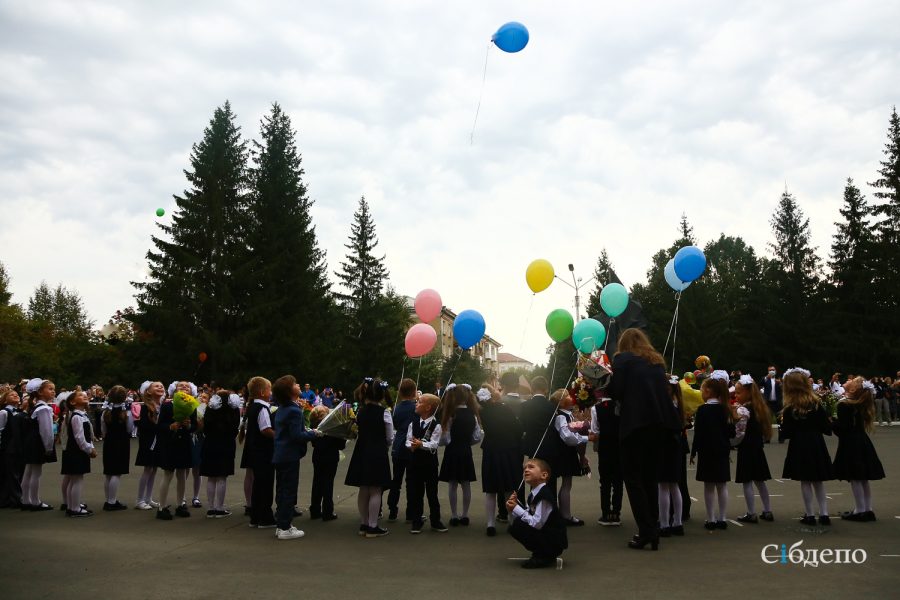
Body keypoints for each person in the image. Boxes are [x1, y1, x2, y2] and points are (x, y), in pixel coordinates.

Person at [607, 329, 681, 550]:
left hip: (634, 426)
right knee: (650, 479)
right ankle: (654, 528)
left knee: (633, 479)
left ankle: (646, 530)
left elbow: (617, 391)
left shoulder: (623, 359)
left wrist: (603, 383)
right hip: (659, 426)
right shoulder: (656, 362)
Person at [780, 367, 834, 526]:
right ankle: (824, 514)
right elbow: (826, 428)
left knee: (805, 480)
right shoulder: (816, 403)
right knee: (818, 480)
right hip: (816, 443)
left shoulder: (790, 408)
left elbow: (787, 432)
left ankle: (810, 515)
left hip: (799, 444)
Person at [344, 377, 393, 538]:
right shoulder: (384, 413)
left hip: (362, 450)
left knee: (364, 488)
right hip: (378, 451)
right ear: (381, 394)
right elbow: (389, 437)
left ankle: (364, 523)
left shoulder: (361, 411)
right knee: (376, 489)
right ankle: (373, 526)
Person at [272, 375, 319, 540]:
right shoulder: (293, 410)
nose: (298, 385)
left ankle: (281, 524)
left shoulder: (283, 408)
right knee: (288, 491)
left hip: (280, 454)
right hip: (289, 455)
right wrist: (313, 433)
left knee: (282, 490)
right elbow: (296, 436)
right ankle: (285, 527)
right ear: (289, 391)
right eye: (295, 384)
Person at [833, 377, 885, 521]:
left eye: (852, 380)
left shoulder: (844, 404)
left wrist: (831, 422)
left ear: (853, 389)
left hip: (850, 443)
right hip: (861, 441)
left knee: (855, 477)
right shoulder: (860, 403)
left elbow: (842, 428)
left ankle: (860, 510)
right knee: (863, 478)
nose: (849, 379)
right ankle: (868, 509)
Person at [690, 371, 735, 530]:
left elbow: (699, 434)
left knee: (709, 486)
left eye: (702, 390)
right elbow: (732, 432)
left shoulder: (702, 410)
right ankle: (722, 518)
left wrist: (694, 451)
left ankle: (711, 518)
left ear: (708, 392)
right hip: (722, 450)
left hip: (706, 451)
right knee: (722, 485)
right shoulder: (725, 409)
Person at [506, 458, 568, 569]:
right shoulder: (534, 493)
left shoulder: (544, 496)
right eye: (525, 468)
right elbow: (529, 514)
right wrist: (514, 507)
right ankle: (541, 552)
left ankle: (545, 555)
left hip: (554, 540)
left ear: (544, 475)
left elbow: (537, 523)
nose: (526, 470)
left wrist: (516, 509)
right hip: (546, 533)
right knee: (516, 525)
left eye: (531, 467)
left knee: (518, 526)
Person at [478, 384, 522, 536]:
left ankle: (490, 523)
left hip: (490, 450)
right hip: (508, 449)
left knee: (491, 489)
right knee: (509, 487)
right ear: (493, 394)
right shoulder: (505, 409)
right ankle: (512, 520)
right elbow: (517, 428)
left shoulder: (482, 412)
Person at [439, 383, 483, 526]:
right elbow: (477, 436)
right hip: (465, 451)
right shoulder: (473, 415)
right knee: (466, 484)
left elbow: (445, 438)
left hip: (452, 451)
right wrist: (466, 442)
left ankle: (454, 515)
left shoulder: (451, 415)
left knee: (452, 484)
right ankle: (465, 515)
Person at [732, 375, 774, 523]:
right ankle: (767, 510)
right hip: (757, 448)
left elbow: (740, 432)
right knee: (760, 480)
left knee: (747, 481)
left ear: (748, 392)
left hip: (746, 448)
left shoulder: (743, 410)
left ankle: (751, 512)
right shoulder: (760, 407)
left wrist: (732, 443)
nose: (736, 395)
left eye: (738, 392)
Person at [155, 382, 198, 521]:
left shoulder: (191, 406)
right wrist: (171, 426)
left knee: (182, 473)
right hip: (170, 443)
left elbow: (194, 426)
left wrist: (189, 425)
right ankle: (162, 506)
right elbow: (160, 425)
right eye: (181, 386)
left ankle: (180, 504)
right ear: (174, 390)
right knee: (168, 474)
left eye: (187, 387)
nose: (184, 388)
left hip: (184, 442)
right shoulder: (167, 405)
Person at [405, 393, 447, 534]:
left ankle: (435, 520)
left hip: (430, 464)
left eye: (419, 402)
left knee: (432, 493)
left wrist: (421, 444)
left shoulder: (436, 425)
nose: (416, 404)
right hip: (415, 463)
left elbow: (434, 444)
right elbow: (407, 440)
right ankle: (417, 521)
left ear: (428, 407)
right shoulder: (413, 423)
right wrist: (411, 445)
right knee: (416, 493)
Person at [548, 388, 588, 526]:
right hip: (563, 453)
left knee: (567, 484)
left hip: (567, 452)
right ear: (562, 402)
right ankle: (565, 515)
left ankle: (565, 513)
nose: (572, 398)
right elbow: (567, 437)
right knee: (566, 484)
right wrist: (585, 438)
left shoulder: (567, 415)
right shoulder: (560, 416)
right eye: (568, 396)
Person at [199, 389, 241, 518]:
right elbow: (235, 429)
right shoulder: (233, 411)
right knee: (222, 477)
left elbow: (204, 428)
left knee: (211, 477)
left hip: (210, 444)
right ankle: (220, 507)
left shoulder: (210, 409)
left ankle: (211, 508)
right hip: (226, 444)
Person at [245, 376, 276, 529]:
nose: (271, 392)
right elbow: (265, 429)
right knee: (266, 483)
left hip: (255, 450)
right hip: (264, 451)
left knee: (258, 484)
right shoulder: (262, 408)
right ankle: (265, 517)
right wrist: (279, 436)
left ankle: (255, 516)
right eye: (269, 389)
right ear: (263, 392)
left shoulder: (252, 407)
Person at [657, 376, 686, 536]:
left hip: (665, 447)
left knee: (663, 486)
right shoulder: (678, 405)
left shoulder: (666, 407)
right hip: (675, 447)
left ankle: (664, 523)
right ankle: (678, 522)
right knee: (674, 486)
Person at [22, 378, 57, 511]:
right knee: (36, 472)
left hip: (31, 442)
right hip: (38, 443)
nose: (53, 392)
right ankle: (35, 501)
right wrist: (48, 447)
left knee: (29, 470)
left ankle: (26, 499)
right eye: (50, 389)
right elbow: (46, 431)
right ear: (40, 392)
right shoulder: (44, 408)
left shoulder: (35, 406)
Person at [591, 387, 623, 527]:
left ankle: (605, 513)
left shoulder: (596, 408)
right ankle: (616, 513)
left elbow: (595, 429)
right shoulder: (622, 405)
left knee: (605, 482)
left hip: (605, 446)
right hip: (620, 446)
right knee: (618, 482)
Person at [60, 390, 96, 517]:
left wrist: (90, 446)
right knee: (76, 480)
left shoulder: (81, 415)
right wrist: (88, 449)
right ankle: (74, 508)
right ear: (72, 402)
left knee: (75, 479)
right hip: (76, 452)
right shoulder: (76, 417)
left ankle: (71, 505)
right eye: (80, 395)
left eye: (85, 395)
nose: (84, 396)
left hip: (77, 451)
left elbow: (88, 435)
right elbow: (79, 437)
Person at [387, 378, 417, 523]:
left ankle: (392, 509)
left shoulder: (396, 408)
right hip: (411, 445)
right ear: (414, 391)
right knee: (411, 481)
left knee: (396, 480)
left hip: (398, 445)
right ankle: (411, 513)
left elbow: (395, 425)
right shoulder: (417, 407)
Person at [308, 406, 344, 521]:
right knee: (328, 483)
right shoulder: (332, 426)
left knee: (317, 481)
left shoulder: (313, 425)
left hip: (317, 455)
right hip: (330, 455)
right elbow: (340, 444)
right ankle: (328, 511)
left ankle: (315, 509)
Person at [101, 385, 133, 511]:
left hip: (109, 442)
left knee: (108, 472)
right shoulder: (126, 412)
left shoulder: (105, 412)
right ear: (124, 397)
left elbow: (103, 430)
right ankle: (112, 501)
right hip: (121, 442)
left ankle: (108, 499)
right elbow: (129, 429)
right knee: (117, 472)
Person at [134, 381, 162, 510]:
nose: (160, 387)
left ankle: (148, 498)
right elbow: (143, 425)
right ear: (148, 391)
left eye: (162, 386)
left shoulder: (162, 405)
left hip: (158, 441)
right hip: (149, 441)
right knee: (148, 469)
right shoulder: (145, 407)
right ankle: (140, 500)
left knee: (154, 470)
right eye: (156, 386)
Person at [0, 388, 24, 508]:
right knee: (11, 473)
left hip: (18, 446)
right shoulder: (4, 412)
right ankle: (16, 498)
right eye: (11, 395)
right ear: (5, 400)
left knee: (16, 472)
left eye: (16, 394)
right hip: (8, 446)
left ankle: (7, 498)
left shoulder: (19, 412)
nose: (15, 395)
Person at [761, 366, 783, 443]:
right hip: (768, 403)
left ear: (776, 371)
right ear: (768, 371)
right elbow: (760, 384)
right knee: (767, 421)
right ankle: (767, 438)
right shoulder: (765, 379)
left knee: (780, 421)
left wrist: (780, 383)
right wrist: (767, 377)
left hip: (777, 403)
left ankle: (781, 437)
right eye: (770, 370)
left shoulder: (779, 380)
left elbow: (784, 389)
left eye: (773, 370)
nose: (772, 371)